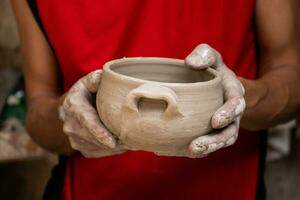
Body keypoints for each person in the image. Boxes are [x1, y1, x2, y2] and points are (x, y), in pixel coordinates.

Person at [11, 0, 300, 199]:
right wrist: (69, 117)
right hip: (91, 190)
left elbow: (291, 76)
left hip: (229, 189)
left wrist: (239, 98)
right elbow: (38, 111)